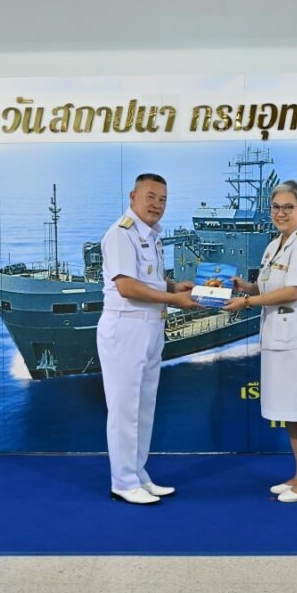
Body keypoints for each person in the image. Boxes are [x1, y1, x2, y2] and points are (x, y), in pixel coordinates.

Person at [97, 173, 199, 505]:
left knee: (143, 408)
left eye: (162, 199)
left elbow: (149, 280)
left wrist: (174, 287)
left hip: (151, 327)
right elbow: (127, 287)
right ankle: (123, 482)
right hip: (126, 329)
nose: (157, 205)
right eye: (151, 197)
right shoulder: (121, 234)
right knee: (124, 409)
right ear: (133, 197)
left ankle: (138, 474)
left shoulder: (151, 236)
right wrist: (175, 299)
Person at [225, 180, 297, 503]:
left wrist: (246, 303)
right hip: (278, 336)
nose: (280, 213)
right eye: (276, 207)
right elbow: (268, 286)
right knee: (290, 409)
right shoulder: (274, 245)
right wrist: (245, 287)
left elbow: (294, 291)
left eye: (288, 207)